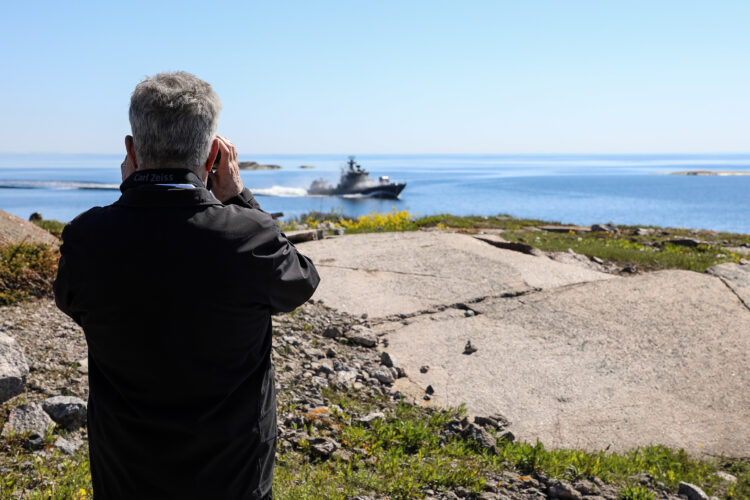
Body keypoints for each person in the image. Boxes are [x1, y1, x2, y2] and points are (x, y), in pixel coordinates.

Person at [54, 71, 319, 499]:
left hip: (126, 474)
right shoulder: (249, 237)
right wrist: (239, 199)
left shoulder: (86, 238)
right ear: (215, 153)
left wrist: (130, 198)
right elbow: (301, 282)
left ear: (130, 150)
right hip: (233, 476)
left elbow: (70, 298)